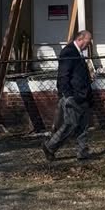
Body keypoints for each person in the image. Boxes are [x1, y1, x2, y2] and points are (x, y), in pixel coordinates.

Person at [42, 30, 93, 162]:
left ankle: (82, 152)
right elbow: (63, 76)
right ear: (81, 39)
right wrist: (68, 95)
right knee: (71, 123)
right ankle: (50, 146)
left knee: (83, 125)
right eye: (88, 40)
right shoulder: (69, 52)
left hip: (83, 94)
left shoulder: (79, 53)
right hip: (74, 95)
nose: (89, 43)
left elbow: (78, 74)